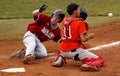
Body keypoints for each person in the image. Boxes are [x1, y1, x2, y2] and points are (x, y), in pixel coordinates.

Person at [51, 3, 104, 72]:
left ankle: (59, 59)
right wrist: (89, 36)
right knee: (99, 59)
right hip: (74, 52)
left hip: (62, 51)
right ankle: (87, 65)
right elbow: (83, 39)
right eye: (78, 10)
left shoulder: (65, 21)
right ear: (74, 12)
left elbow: (63, 35)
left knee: (65, 48)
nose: (79, 11)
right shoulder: (79, 22)